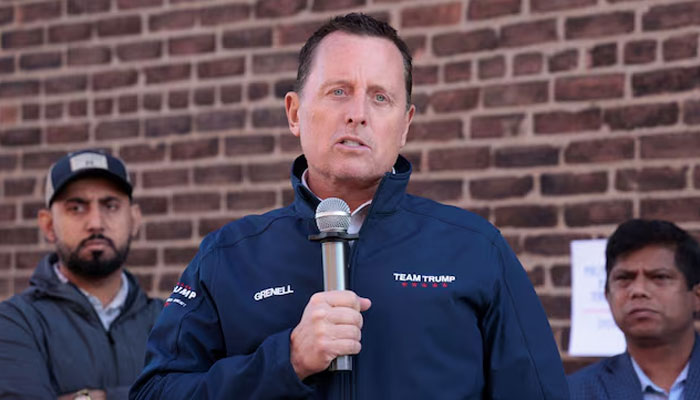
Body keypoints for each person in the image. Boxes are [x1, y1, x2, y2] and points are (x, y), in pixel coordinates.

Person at [130, 13, 568, 399]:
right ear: (295, 112)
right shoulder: (227, 257)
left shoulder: (476, 249)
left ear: (405, 126)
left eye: (380, 97)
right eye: (339, 91)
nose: (358, 113)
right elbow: (155, 392)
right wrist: (286, 361)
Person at [0, 150, 163, 400]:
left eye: (110, 205)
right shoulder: (16, 322)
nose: (96, 222)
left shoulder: (170, 322)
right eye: (76, 208)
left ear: (134, 219)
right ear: (47, 224)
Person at [568, 219, 700, 399]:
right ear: (607, 296)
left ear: (696, 296)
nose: (638, 291)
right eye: (624, 278)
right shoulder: (574, 392)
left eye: (659, 277)